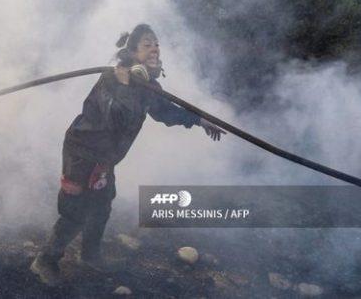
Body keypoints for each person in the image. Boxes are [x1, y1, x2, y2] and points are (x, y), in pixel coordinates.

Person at [31, 23, 224, 285]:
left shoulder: (148, 85)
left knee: (102, 204)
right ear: (132, 52)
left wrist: (200, 121)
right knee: (76, 210)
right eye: (147, 44)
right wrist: (123, 85)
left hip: (104, 158)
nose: (155, 48)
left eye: (156, 43)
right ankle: (45, 260)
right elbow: (116, 118)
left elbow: (165, 112)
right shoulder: (112, 79)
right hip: (82, 151)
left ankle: (89, 255)